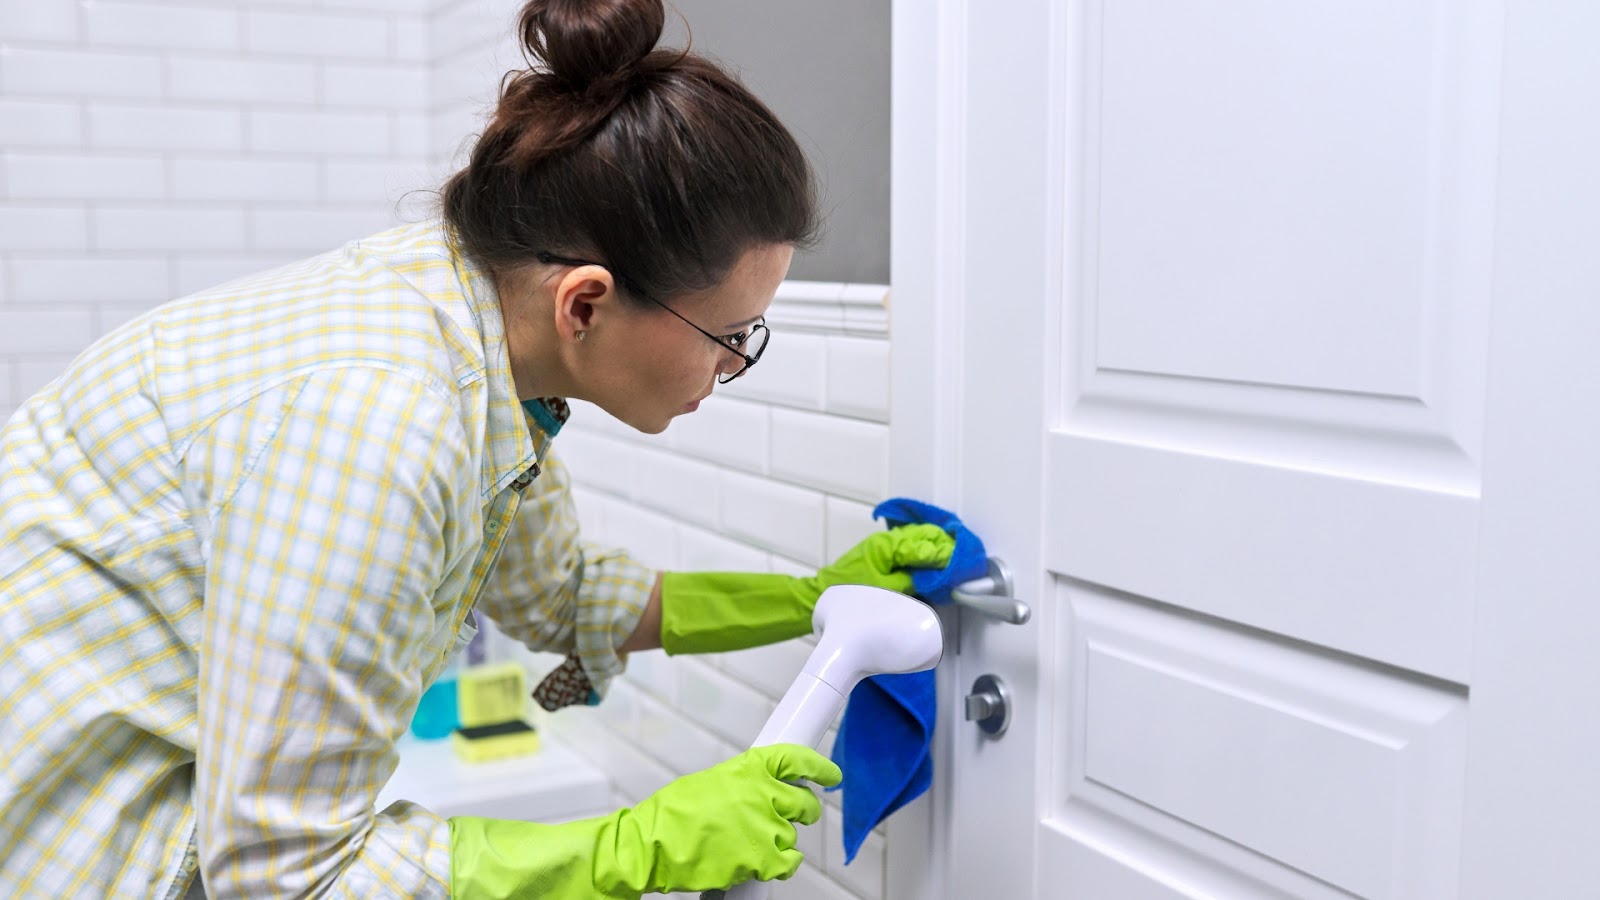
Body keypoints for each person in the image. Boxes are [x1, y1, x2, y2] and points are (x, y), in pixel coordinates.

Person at [0, 0, 952, 897]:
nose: (737, 362)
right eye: (729, 334)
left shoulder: (483, 339)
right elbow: (285, 875)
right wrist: (638, 845)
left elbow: (564, 594)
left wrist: (806, 601)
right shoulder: (383, 425)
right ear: (584, 302)